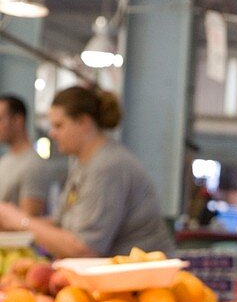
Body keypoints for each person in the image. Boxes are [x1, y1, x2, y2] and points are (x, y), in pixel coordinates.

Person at [0, 86, 174, 259]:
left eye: (59, 125)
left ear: (83, 122)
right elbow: (61, 224)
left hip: (139, 278)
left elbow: (84, 248)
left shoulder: (107, 167)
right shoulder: (84, 164)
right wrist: (12, 222)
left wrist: (21, 221)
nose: (52, 134)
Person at [0, 95, 50, 217]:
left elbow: (28, 222)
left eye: (0, 119)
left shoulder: (34, 164)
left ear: (18, 120)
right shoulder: (5, 160)